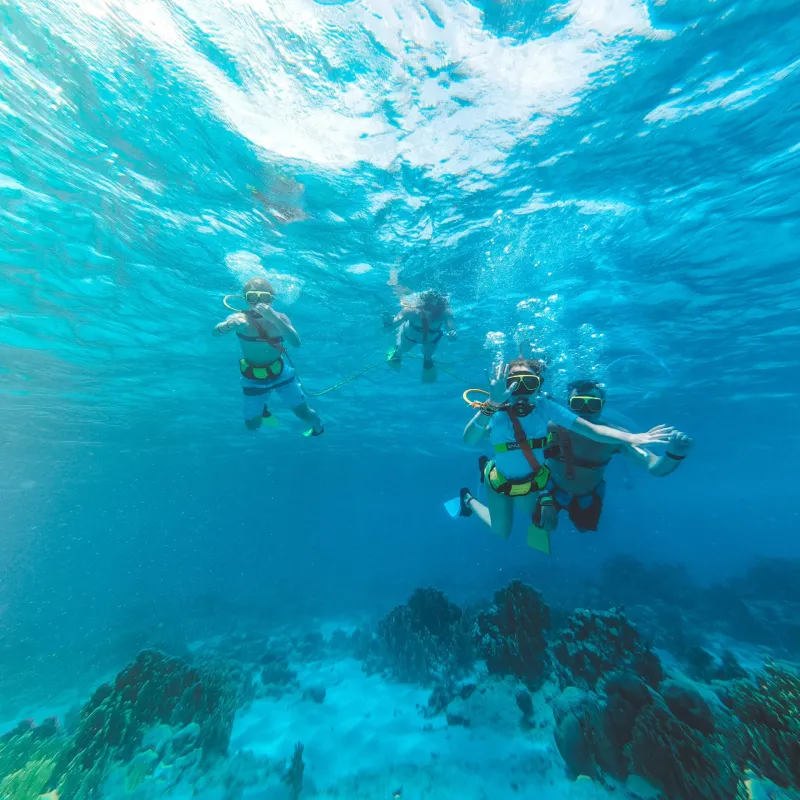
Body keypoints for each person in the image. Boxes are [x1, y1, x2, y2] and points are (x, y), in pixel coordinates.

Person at [457, 359, 674, 553]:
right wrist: (492, 405)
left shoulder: (546, 408)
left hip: (531, 482)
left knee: (540, 521)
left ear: (539, 385)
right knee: (501, 532)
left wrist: (632, 437)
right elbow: (469, 439)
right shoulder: (495, 411)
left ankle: (543, 501)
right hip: (498, 480)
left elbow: (593, 430)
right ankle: (468, 498)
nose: (521, 390)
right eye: (514, 383)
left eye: (529, 383)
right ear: (505, 385)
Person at [537, 378, 692, 533]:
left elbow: (655, 468)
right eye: (578, 403)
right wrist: (544, 497)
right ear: (568, 405)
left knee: (585, 529)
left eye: (592, 404)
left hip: (588, 497)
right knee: (541, 527)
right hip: (550, 491)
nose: (584, 411)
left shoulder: (618, 437)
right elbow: (527, 465)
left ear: (602, 406)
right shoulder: (549, 429)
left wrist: (674, 454)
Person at [213, 277, 324, 436]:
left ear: (271, 299)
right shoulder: (239, 319)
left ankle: (318, 427)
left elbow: (296, 343)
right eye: (252, 297)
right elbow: (215, 333)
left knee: (303, 414)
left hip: (281, 374)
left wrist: (273, 318)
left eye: (263, 297)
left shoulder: (281, 318)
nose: (257, 302)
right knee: (252, 426)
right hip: (252, 379)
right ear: (245, 298)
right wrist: (225, 327)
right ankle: (263, 409)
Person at [382, 290, 456, 382]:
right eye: (425, 307)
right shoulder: (410, 311)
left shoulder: (445, 312)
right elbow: (393, 325)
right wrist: (388, 323)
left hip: (430, 339)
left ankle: (427, 367)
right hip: (409, 335)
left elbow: (451, 329)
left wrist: (452, 334)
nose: (427, 311)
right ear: (420, 304)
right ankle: (397, 353)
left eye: (430, 308)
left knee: (428, 357)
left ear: (437, 307)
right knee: (402, 349)